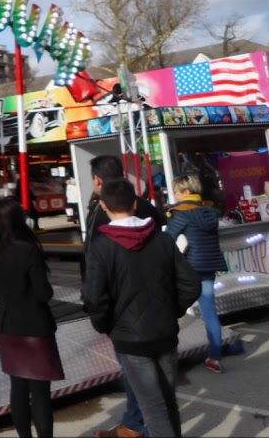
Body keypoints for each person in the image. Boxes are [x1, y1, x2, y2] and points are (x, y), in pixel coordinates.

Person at [83, 179, 200, 438]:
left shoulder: (101, 247)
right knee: (167, 402)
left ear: (103, 206)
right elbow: (191, 284)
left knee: (153, 407)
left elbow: (93, 297)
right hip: (165, 332)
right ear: (135, 204)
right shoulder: (162, 239)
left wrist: (105, 325)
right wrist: (173, 310)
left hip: (129, 338)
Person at [81, 157, 167, 438]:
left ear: (97, 180)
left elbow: (95, 275)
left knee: (136, 373)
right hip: (156, 305)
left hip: (123, 309)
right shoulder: (143, 207)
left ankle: (135, 425)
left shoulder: (102, 212)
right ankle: (134, 422)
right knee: (154, 380)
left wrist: (100, 317)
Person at [0, 196, 65, 438]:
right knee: (39, 394)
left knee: (17, 390)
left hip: (7, 327)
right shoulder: (27, 250)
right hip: (34, 328)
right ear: (19, 222)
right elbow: (43, 293)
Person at [164, 173, 229, 373]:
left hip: (189, 268)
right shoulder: (208, 210)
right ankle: (215, 357)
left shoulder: (181, 212)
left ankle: (168, 359)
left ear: (186, 192)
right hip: (209, 266)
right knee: (210, 312)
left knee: (170, 309)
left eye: (175, 191)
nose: (173, 194)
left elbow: (166, 240)